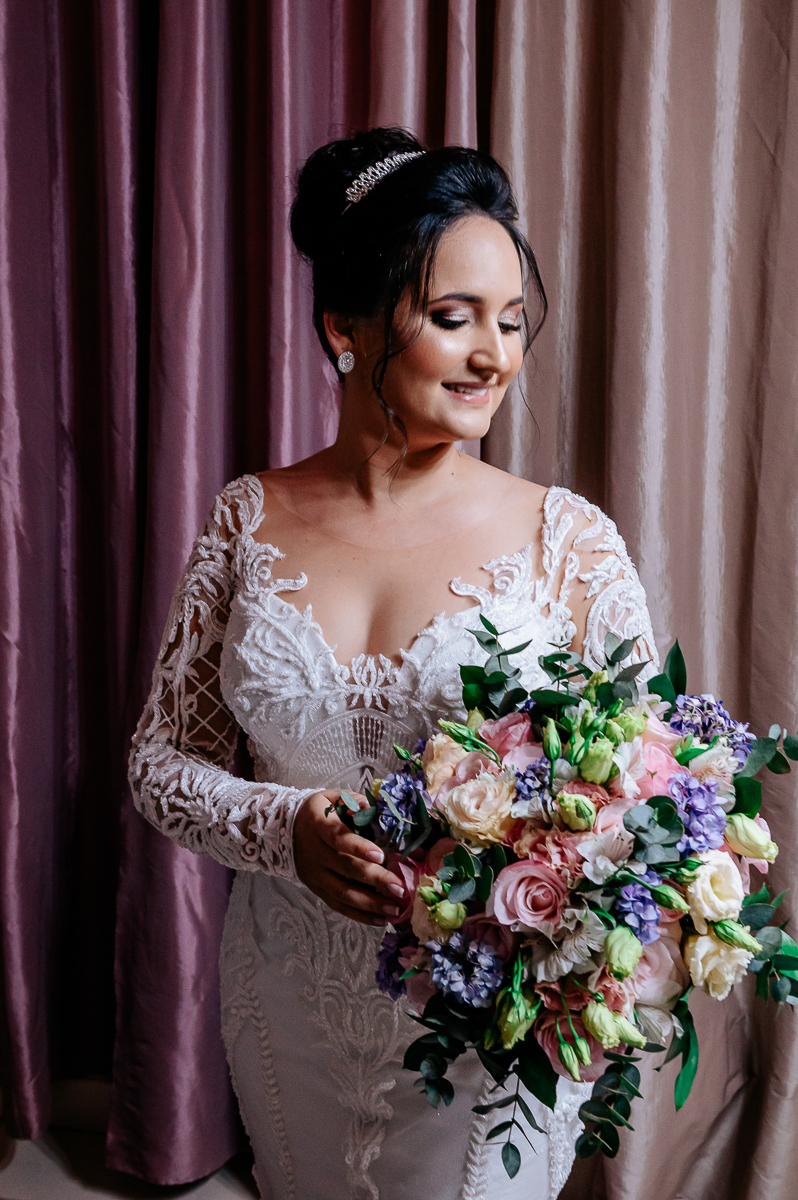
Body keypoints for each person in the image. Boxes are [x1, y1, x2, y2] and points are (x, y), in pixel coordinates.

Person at [130, 128, 657, 1200]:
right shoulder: (246, 523)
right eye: (454, 319)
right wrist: (286, 828)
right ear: (344, 329)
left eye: (511, 322)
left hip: (486, 1028)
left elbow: (650, 797)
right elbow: (158, 764)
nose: (495, 356)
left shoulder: (571, 545)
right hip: (287, 999)